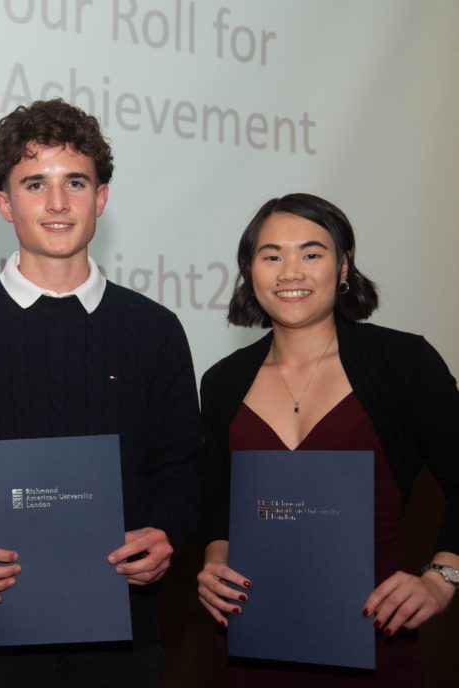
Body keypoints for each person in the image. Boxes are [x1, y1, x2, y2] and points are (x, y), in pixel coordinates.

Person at [0, 99, 202, 687]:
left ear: (100, 198)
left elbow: (180, 467)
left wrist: (164, 533)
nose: (56, 203)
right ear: (3, 203)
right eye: (34, 184)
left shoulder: (154, 330)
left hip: (122, 632)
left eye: (75, 182)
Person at [197, 192, 459, 685]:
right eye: (270, 256)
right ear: (250, 272)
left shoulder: (405, 364)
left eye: (311, 254)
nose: (290, 272)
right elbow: (216, 501)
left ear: (343, 267)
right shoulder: (222, 381)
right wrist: (214, 562)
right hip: (249, 642)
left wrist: (442, 579)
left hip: (376, 635)